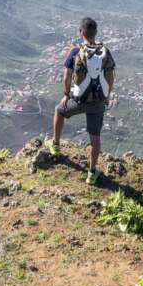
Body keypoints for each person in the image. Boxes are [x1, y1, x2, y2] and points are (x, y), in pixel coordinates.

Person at [49, 16, 115, 184]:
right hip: (98, 101)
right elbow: (110, 77)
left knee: (59, 111)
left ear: (81, 32)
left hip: (79, 100)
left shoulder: (75, 52)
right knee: (95, 137)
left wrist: (66, 94)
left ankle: (55, 146)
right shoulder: (105, 52)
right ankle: (92, 173)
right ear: (96, 33)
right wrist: (106, 96)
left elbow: (67, 77)